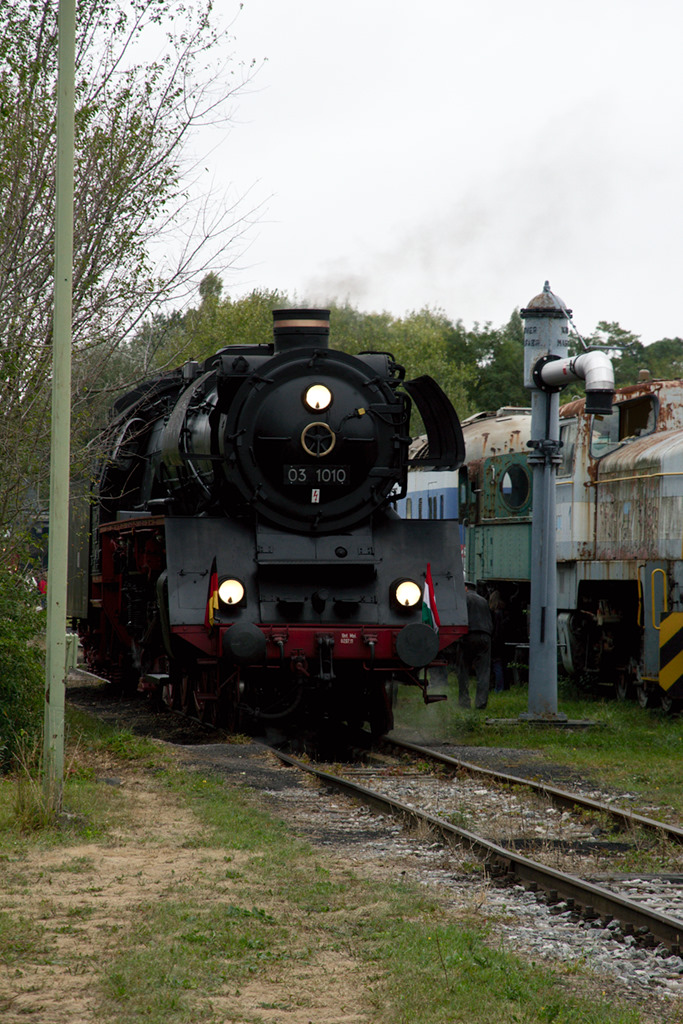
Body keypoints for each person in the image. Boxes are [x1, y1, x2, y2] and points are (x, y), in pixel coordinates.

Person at [455, 583, 492, 709]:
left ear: (465, 588)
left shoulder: (464, 599)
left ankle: (464, 702)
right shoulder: (483, 600)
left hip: (469, 635)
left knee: (463, 670)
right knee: (483, 672)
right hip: (485, 636)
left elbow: (461, 618)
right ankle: (481, 703)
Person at [489, 591, 510, 692]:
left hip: (496, 643)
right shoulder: (503, 612)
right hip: (502, 642)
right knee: (502, 665)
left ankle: (498, 688)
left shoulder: (496, 613)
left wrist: (493, 641)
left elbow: (496, 630)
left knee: (496, 665)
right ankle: (504, 686)